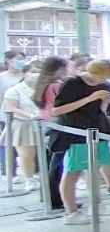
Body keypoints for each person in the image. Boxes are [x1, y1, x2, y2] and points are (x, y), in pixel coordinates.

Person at [53, 59, 110, 225]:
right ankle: (71, 212)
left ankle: (96, 205)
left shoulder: (103, 85)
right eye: (102, 76)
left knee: (94, 169)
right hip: (77, 132)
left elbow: (98, 111)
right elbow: (56, 110)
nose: (104, 80)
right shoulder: (71, 83)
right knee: (73, 171)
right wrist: (89, 98)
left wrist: (105, 102)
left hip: (98, 130)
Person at [33, 57, 68, 211]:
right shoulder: (56, 85)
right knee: (58, 165)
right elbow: (60, 106)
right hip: (59, 125)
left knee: (50, 164)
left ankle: (49, 197)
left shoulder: (42, 84)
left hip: (47, 124)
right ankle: (56, 199)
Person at [3, 60, 43, 192]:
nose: (36, 75)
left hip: (44, 123)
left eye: (39, 72)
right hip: (23, 124)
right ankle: (29, 178)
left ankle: (43, 176)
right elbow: (11, 108)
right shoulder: (15, 90)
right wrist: (29, 115)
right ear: (24, 74)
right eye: (33, 72)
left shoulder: (45, 88)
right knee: (26, 154)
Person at [1, 49, 27, 180]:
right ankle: (9, 172)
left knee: (24, 145)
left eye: (23, 59)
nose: (21, 62)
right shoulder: (2, 77)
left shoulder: (25, 75)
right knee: (8, 144)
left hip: (25, 115)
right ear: (8, 60)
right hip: (6, 115)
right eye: (18, 59)